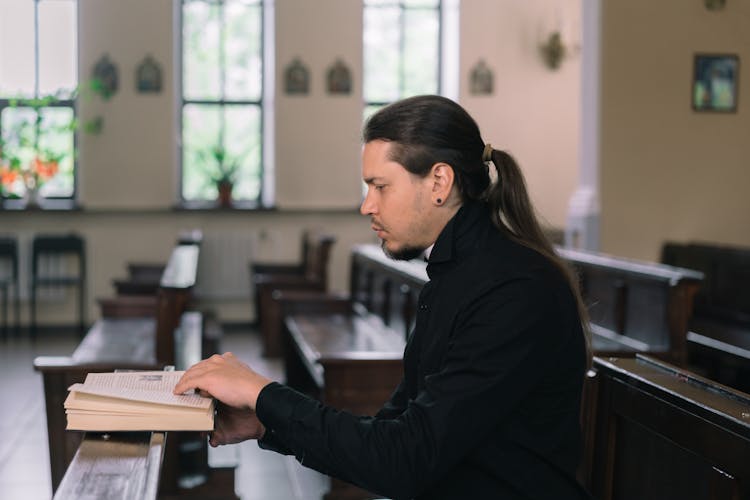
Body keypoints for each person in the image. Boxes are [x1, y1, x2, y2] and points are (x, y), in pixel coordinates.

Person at [175, 95, 592, 500]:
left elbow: (403, 460)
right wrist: (266, 422)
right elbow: (389, 438)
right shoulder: (455, 276)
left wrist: (262, 393)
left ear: (439, 182)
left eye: (380, 186)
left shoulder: (514, 291)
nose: (366, 205)